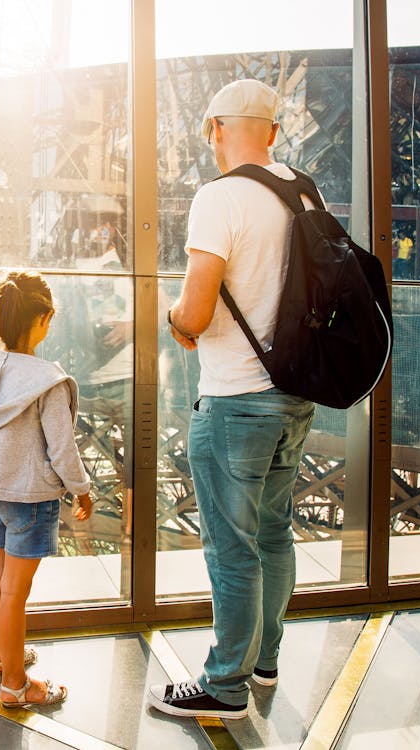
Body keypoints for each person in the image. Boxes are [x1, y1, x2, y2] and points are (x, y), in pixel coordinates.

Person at [147, 79, 316, 721]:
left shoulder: (219, 198)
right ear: (271, 133)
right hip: (294, 397)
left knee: (231, 546)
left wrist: (177, 318)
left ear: (216, 128)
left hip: (237, 400)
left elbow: (194, 308)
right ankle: (265, 659)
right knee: (274, 532)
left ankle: (225, 684)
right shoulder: (302, 190)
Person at [0, 270, 93, 709]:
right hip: (31, 499)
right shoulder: (47, 381)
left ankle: (0, 659)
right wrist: (82, 489)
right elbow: (62, 446)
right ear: (43, 318)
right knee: (17, 592)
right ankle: (16, 687)